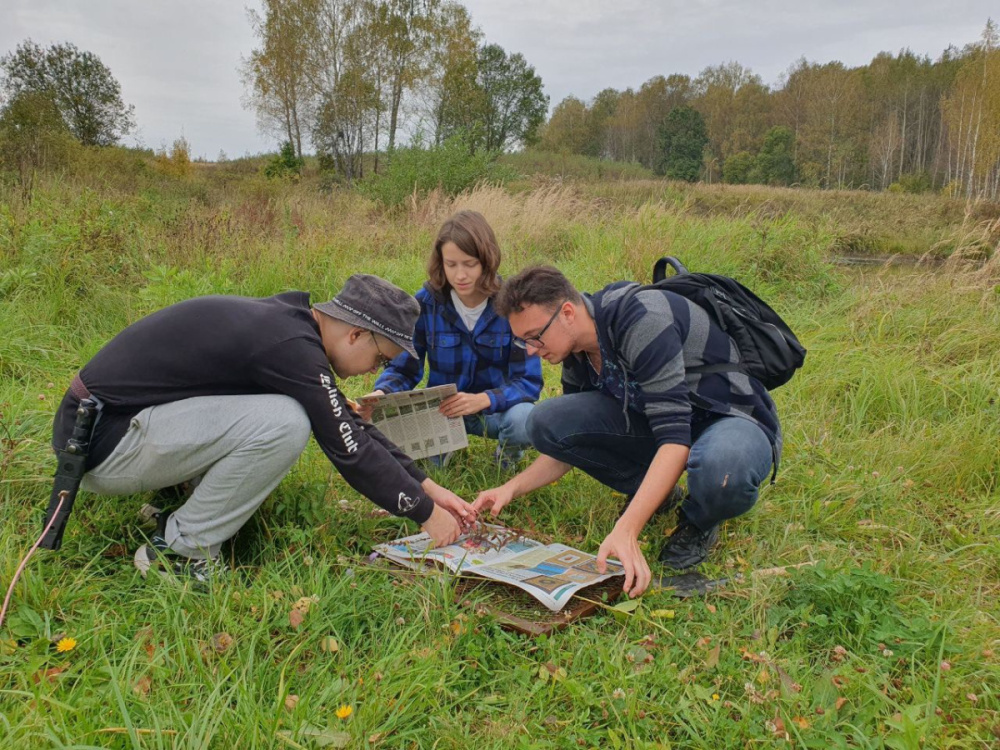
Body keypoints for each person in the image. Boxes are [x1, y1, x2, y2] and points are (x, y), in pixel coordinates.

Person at [51, 274, 475, 582]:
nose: (375, 371)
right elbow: (349, 450)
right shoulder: (292, 349)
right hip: (103, 443)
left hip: (107, 428)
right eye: (381, 359)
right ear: (356, 335)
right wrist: (424, 515)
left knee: (287, 410)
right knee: (285, 420)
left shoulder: (289, 326)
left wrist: (429, 489)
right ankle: (179, 554)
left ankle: (176, 507)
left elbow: (350, 426)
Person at [472, 266, 781, 598]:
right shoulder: (575, 352)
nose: (531, 350)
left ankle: (700, 520)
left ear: (567, 313)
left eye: (535, 336)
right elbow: (567, 446)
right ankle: (659, 494)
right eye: (523, 341)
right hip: (660, 423)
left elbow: (675, 440)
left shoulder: (641, 320)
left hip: (728, 416)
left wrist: (627, 529)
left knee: (723, 468)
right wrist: (510, 488)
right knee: (545, 421)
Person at [361, 211, 542, 469]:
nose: (460, 275)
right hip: (442, 412)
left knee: (525, 419)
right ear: (441, 263)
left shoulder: (511, 304)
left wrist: (484, 399)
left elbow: (528, 382)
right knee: (427, 470)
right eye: (451, 264)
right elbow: (405, 367)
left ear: (486, 260)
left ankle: (506, 461)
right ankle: (443, 448)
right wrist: (381, 393)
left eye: (469, 264)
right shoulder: (426, 302)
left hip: (494, 411)